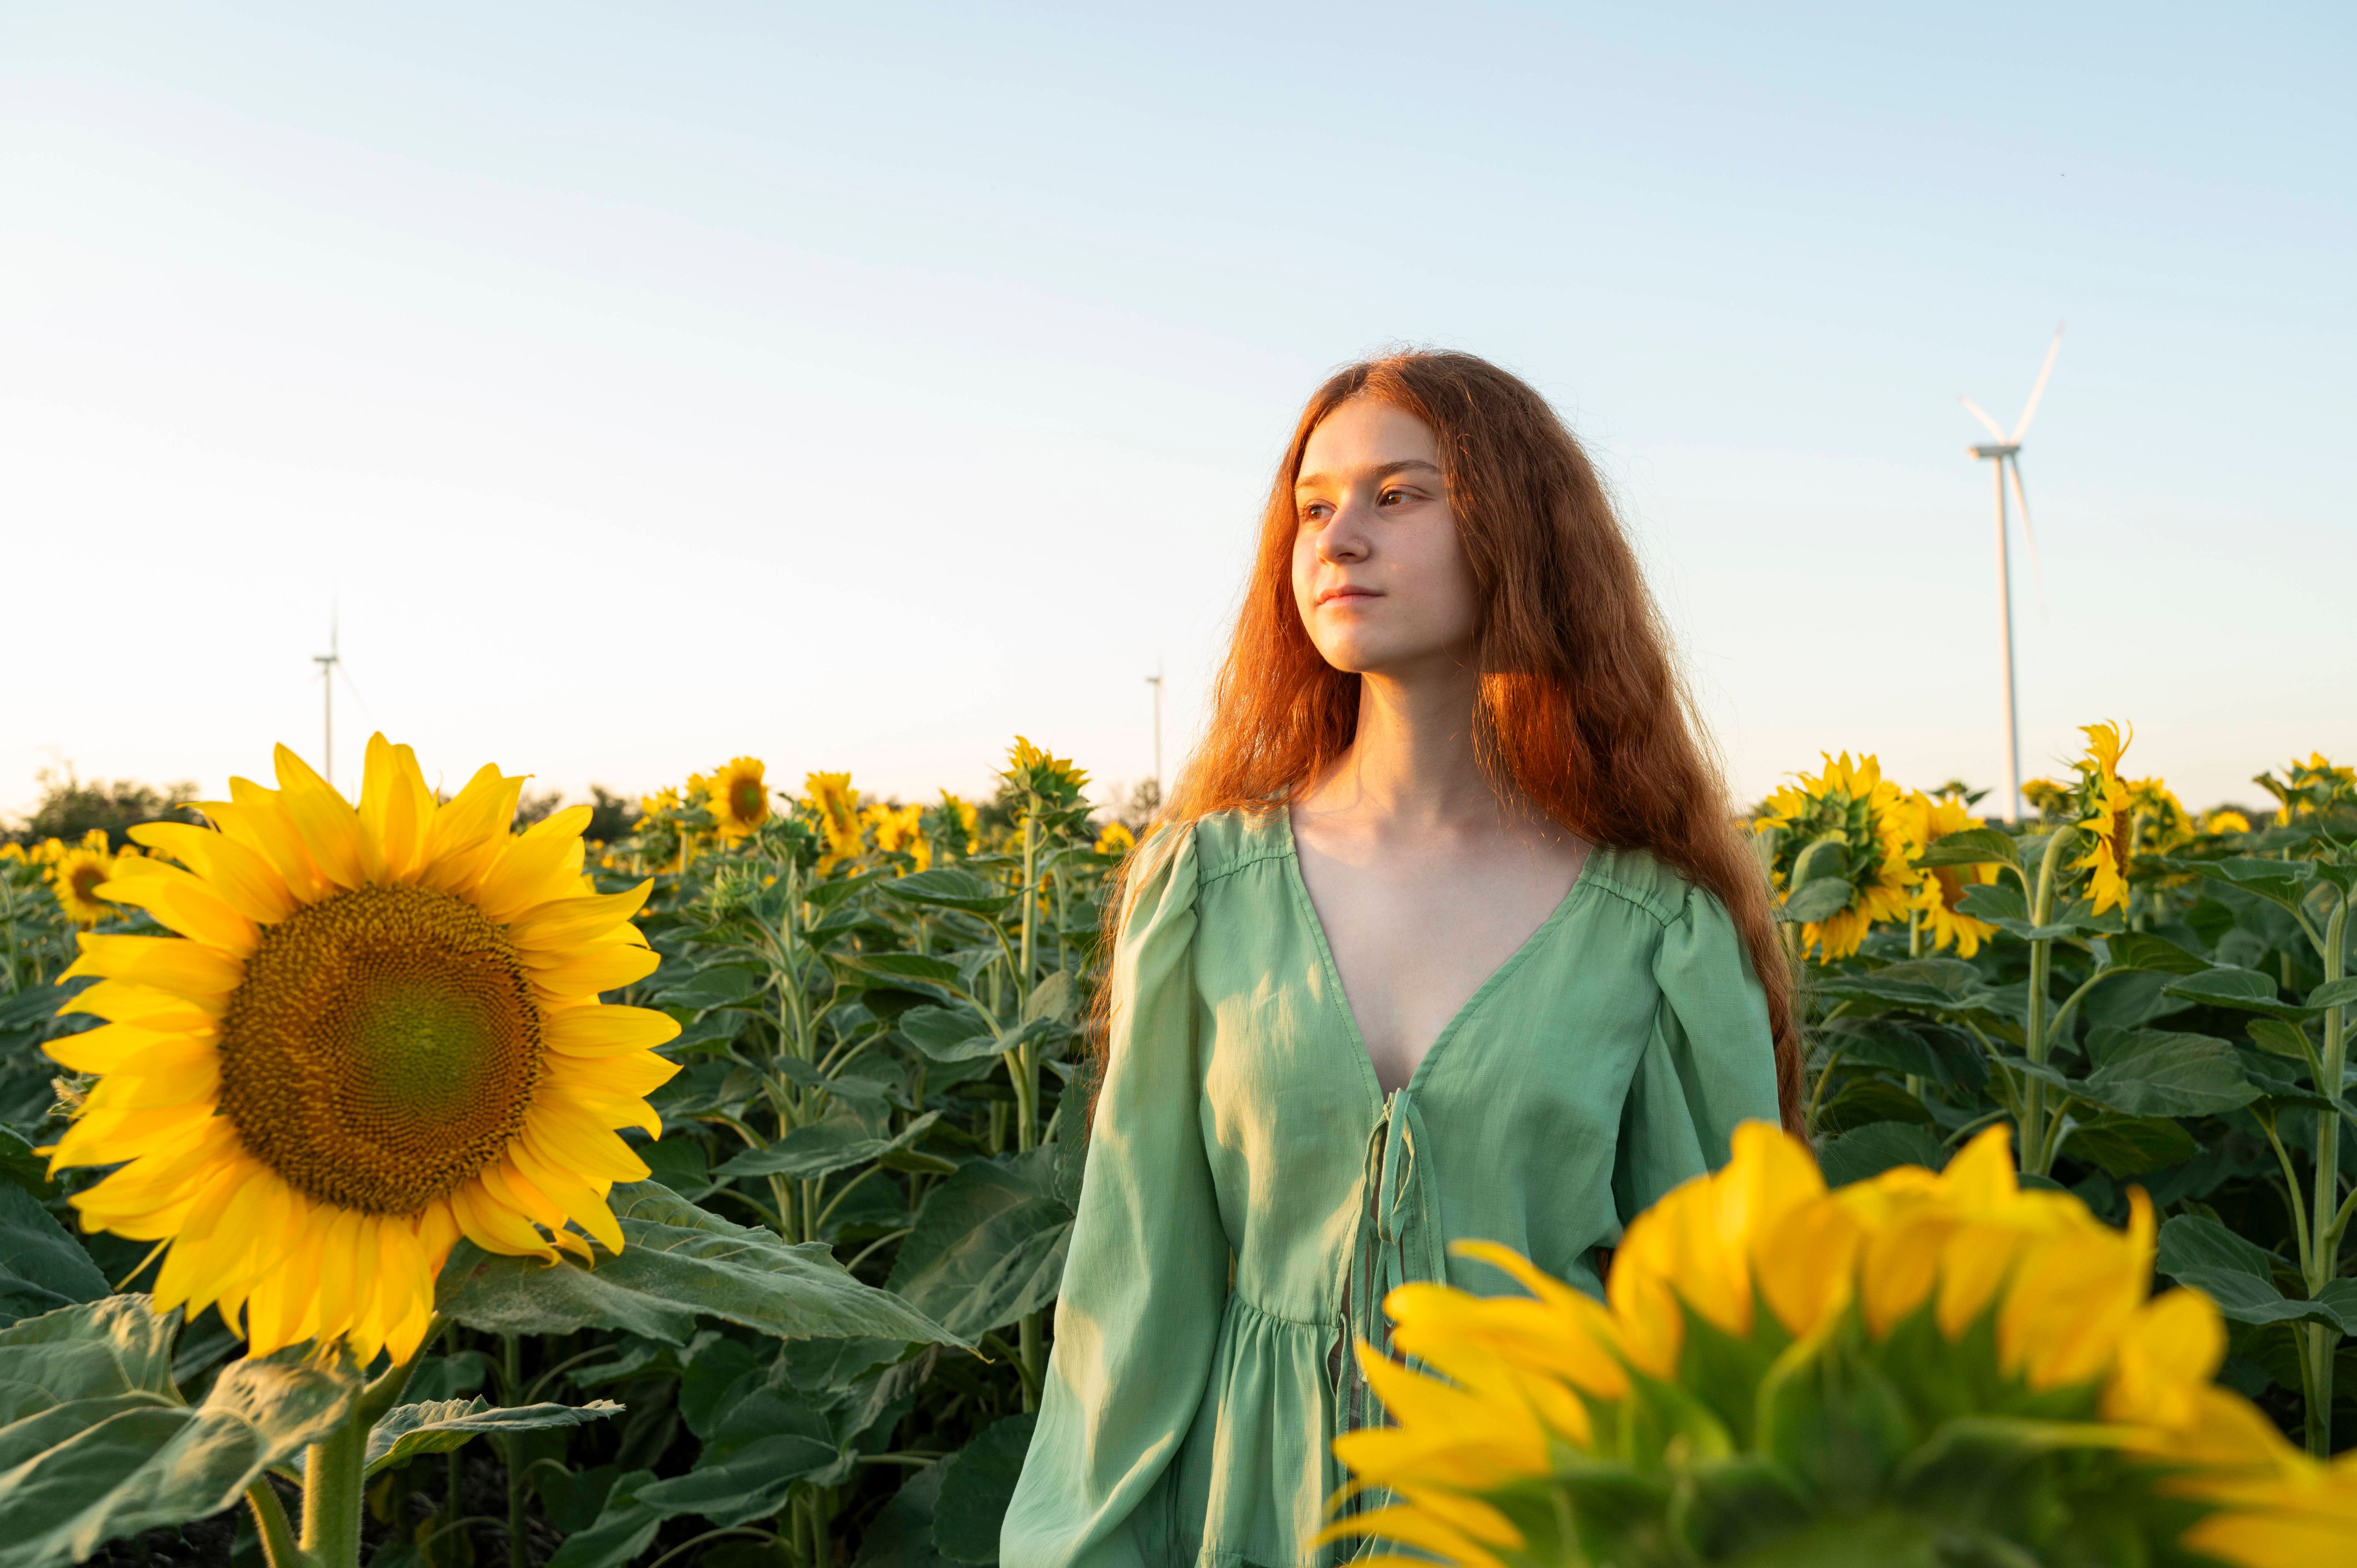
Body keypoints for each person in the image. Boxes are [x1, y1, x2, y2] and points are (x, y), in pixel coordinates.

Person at [1001, 351, 1800, 1568]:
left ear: (1518, 534)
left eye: (1399, 495)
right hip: (1254, 1520)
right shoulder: (1202, 891)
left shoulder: (1657, 932)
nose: (1340, 540)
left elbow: (1720, 1339)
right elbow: (1134, 1296)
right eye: (1313, 507)